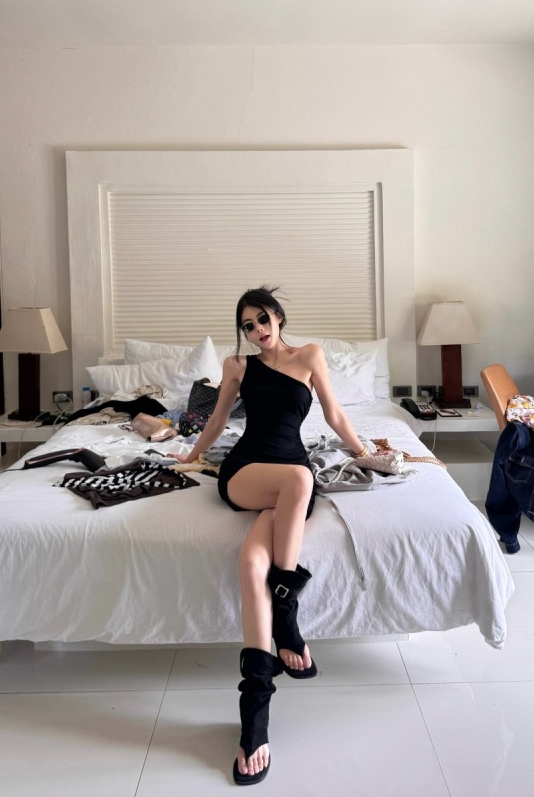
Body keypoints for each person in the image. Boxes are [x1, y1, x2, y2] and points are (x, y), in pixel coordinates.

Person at [172, 286, 367, 785]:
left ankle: (254, 719)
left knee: (252, 562)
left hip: (289, 478)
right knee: (300, 480)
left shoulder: (310, 355)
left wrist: (365, 452)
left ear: (278, 317)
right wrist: (191, 455)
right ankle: (287, 608)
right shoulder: (238, 366)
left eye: (263, 319)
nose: (257, 330)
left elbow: (335, 414)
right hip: (247, 472)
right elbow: (218, 418)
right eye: (248, 325)